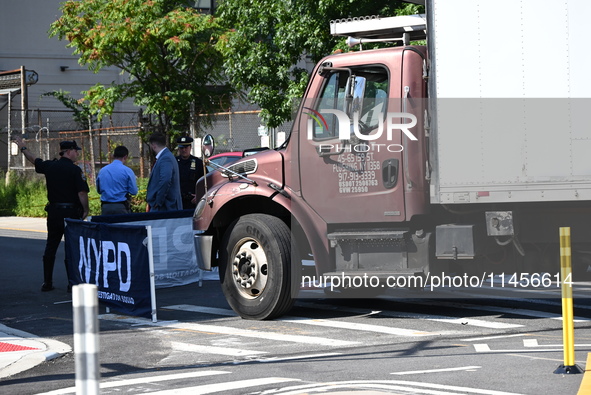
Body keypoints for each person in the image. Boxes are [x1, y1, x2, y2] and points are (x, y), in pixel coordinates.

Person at [12, 136, 90, 292]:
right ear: (68, 152)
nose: (77, 154)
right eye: (75, 151)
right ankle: (72, 283)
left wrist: (23, 147)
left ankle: (47, 282)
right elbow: (82, 192)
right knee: (71, 248)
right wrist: (86, 210)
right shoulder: (75, 170)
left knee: (51, 246)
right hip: (71, 212)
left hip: (54, 212)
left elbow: (34, 160)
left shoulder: (50, 166)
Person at [96, 145, 138, 215]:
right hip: (121, 206)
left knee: (107, 225)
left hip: (106, 207)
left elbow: (99, 190)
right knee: (122, 225)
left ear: (113, 156)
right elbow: (133, 191)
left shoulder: (102, 171)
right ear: (125, 157)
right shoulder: (127, 171)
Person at [146, 133, 182, 211]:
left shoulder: (165, 158)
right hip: (166, 206)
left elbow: (165, 180)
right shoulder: (166, 156)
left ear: (153, 145)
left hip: (165, 207)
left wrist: (158, 201)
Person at [175, 135, 206, 209]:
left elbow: (205, 181)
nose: (184, 150)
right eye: (182, 148)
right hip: (178, 201)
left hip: (192, 202)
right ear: (179, 148)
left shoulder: (198, 163)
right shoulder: (174, 162)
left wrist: (200, 195)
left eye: (186, 147)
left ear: (190, 148)